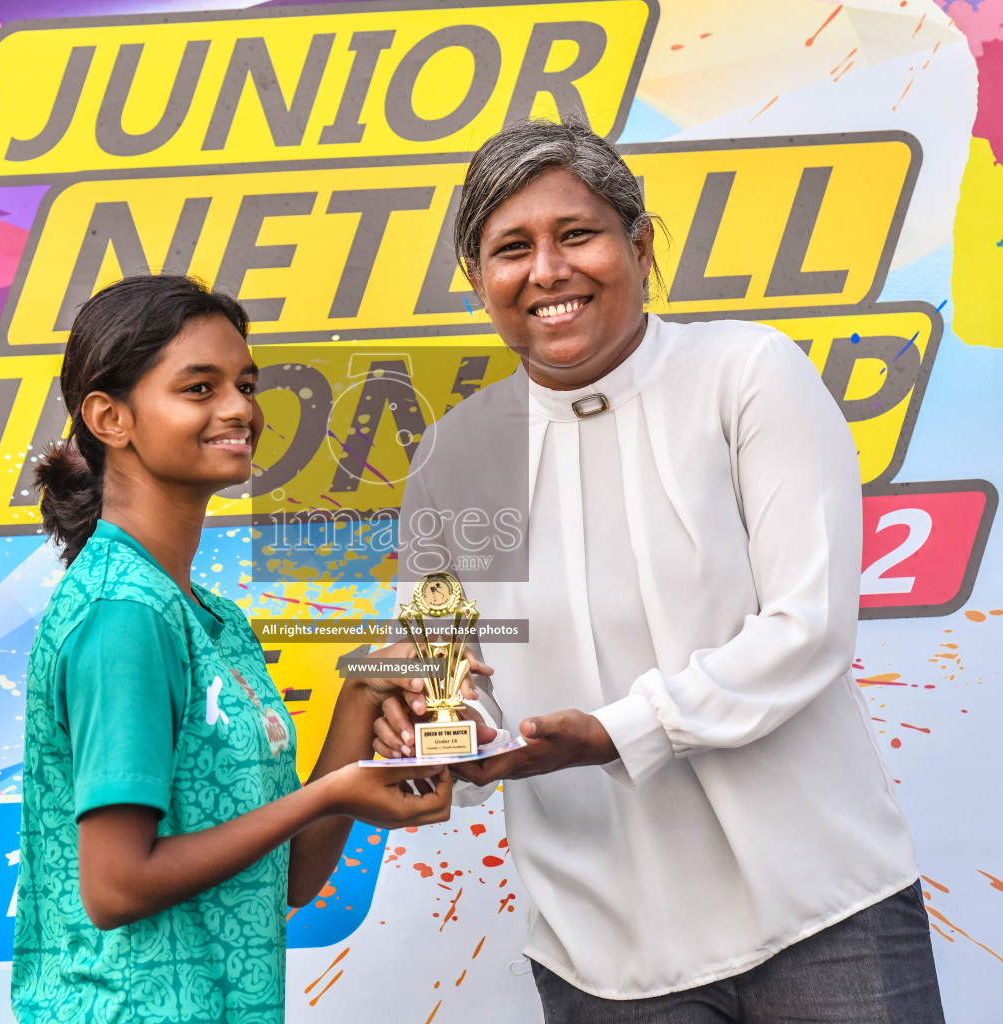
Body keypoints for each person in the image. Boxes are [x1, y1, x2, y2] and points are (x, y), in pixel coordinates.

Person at [372, 119, 947, 1023]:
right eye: (511, 249)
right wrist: (437, 733)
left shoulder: (744, 374)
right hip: (602, 948)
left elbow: (809, 627)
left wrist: (615, 732)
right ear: (481, 282)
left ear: (639, 245)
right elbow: (446, 671)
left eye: (578, 234)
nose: (548, 271)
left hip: (825, 910)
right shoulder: (459, 454)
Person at [10, 275, 453, 1024]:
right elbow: (115, 888)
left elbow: (287, 879)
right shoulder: (125, 613)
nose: (240, 408)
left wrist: (363, 695)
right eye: (199, 387)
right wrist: (332, 793)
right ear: (110, 417)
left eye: (245, 384)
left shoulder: (210, 617)